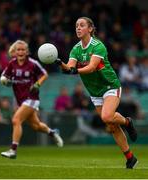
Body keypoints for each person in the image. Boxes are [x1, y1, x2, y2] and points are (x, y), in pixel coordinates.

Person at [55, 17, 138, 169]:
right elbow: (70, 67)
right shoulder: (76, 49)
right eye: (76, 26)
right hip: (94, 92)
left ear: (90, 29)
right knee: (111, 125)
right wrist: (60, 63)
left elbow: (92, 67)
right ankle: (130, 157)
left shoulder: (98, 45)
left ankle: (127, 122)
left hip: (110, 86)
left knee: (106, 116)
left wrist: (74, 71)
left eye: (81, 25)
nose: (78, 28)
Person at [0, 40, 63, 159]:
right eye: (18, 49)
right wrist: (4, 81)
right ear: (15, 51)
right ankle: (53, 132)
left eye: (23, 49)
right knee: (36, 126)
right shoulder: (11, 64)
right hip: (20, 101)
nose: (21, 52)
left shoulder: (33, 64)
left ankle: (13, 150)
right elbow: (4, 78)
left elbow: (45, 74)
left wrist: (38, 84)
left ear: (27, 51)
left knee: (16, 120)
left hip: (32, 98)